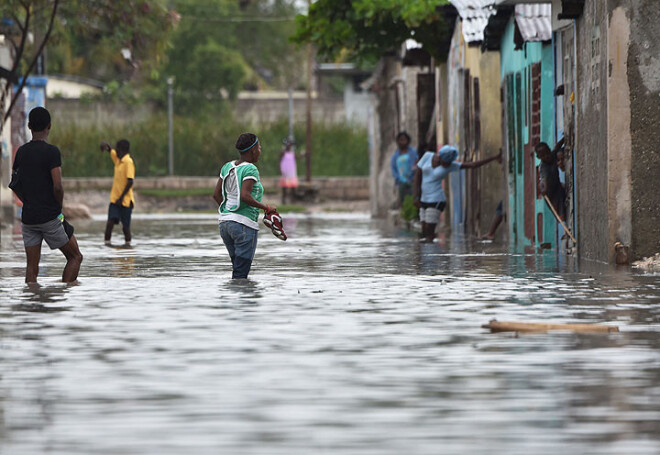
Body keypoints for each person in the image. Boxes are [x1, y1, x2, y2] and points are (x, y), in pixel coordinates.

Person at [11, 107, 83, 283]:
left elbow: (15, 185)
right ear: (49, 126)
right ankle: (62, 295)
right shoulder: (52, 152)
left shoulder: (21, 152)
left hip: (28, 218)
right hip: (50, 217)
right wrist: (59, 208)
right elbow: (57, 186)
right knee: (75, 257)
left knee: (31, 268)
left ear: (29, 126)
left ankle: (32, 301)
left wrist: (28, 202)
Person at [213, 133, 277, 279]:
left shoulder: (227, 167)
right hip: (244, 225)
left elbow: (216, 195)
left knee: (237, 269)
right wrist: (267, 208)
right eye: (259, 147)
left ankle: (232, 299)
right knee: (241, 275)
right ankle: (243, 301)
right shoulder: (251, 169)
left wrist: (229, 213)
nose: (260, 150)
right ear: (253, 149)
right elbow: (245, 196)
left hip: (225, 224)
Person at [413, 145, 502, 242]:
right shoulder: (427, 156)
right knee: (424, 230)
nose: (448, 165)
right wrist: (416, 196)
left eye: (449, 163)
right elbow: (417, 175)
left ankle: (431, 255)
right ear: (440, 157)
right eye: (446, 163)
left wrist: (494, 157)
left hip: (436, 200)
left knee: (429, 232)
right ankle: (425, 255)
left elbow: (473, 165)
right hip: (423, 199)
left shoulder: (451, 166)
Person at [100, 139, 135, 247]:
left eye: (117, 149)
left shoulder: (128, 162)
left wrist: (121, 197)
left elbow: (130, 181)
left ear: (122, 150)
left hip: (125, 201)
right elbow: (112, 152)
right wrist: (107, 147)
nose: (116, 151)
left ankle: (128, 246)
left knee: (125, 227)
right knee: (110, 223)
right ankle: (107, 245)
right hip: (115, 200)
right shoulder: (118, 161)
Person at [535, 140, 566, 220]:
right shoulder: (543, 168)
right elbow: (543, 181)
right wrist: (543, 189)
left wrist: (564, 139)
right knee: (562, 216)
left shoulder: (552, 156)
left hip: (558, 187)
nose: (547, 156)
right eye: (543, 155)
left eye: (547, 152)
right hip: (552, 195)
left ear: (549, 149)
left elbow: (557, 147)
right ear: (539, 157)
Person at [390, 132, 418, 204]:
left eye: (404, 140)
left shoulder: (413, 153)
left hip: (412, 181)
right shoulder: (395, 156)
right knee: (403, 201)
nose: (403, 142)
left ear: (408, 141)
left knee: (413, 199)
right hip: (401, 182)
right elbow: (393, 169)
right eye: (401, 140)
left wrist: (414, 176)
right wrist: (398, 178)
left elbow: (416, 164)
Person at [279, 138, 298, 204]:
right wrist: (281, 169)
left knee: (293, 187)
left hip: (292, 172)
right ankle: (283, 200)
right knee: (285, 187)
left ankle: (293, 199)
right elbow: (280, 161)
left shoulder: (292, 153)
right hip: (285, 172)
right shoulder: (283, 153)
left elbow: (295, 159)